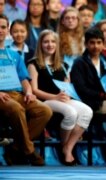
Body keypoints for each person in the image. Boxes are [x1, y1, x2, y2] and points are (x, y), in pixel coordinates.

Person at [27, 29, 93, 166]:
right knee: (71, 113)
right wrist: (55, 97)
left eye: (52, 42)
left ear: (57, 45)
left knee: (87, 111)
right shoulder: (33, 64)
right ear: (40, 44)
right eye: (46, 42)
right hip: (45, 100)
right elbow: (34, 90)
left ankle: (67, 147)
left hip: (61, 99)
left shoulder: (62, 65)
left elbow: (67, 86)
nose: (50, 45)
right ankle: (65, 149)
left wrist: (67, 94)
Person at [0, 14, 52, 166]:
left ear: (7, 30)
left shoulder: (14, 54)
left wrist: (29, 92)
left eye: (3, 27)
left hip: (18, 93)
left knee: (45, 111)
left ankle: (16, 148)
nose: (0, 30)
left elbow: (24, 79)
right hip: (2, 97)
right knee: (17, 109)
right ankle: (30, 151)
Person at [58, 6, 84, 73]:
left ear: (78, 21)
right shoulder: (57, 38)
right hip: (64, 71)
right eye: (67, 18)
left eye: (73, 18)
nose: (70, 20)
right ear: (62, 21)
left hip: (81, 71)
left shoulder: (83, 38)